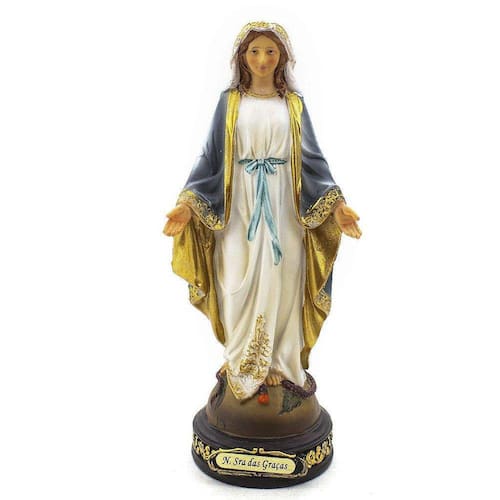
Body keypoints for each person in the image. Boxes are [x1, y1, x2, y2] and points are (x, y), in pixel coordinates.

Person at [163, 21, 361, 401]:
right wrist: (188, 204)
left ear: (282, 57)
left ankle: (280, 363)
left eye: (271, 51)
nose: (263, 59)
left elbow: (313, 161)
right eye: (254, 51)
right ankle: (241, 360)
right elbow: (210, 157)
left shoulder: (293, 104)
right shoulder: (229, 103)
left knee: (283, 277)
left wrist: (337, 206)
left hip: (283, 205)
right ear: (242, 57)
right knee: (234, 276)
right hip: (239, 205)